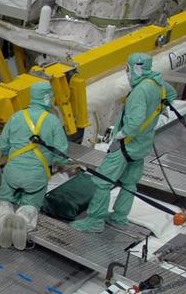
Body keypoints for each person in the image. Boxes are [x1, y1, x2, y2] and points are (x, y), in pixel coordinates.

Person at [73, 53, 176, 233]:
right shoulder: (157, 83)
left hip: (125, 145)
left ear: (134, 68)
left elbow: (134, 121)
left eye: (127, 68)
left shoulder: (139, 91)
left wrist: (121, 135)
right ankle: (119, 217)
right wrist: (155, 116)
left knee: (102, 181)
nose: (126, 72)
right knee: (129, 183)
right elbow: (171, 94)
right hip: (142, 144)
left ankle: (95, 221)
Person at [0, 81, 70, 250]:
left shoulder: (16, 117)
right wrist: (59, 163)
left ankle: (3, 217)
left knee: (5, 198)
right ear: (47, 98)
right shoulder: (52, 121)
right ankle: (23, 218)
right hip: (36, 176)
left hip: (12, 172)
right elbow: (62, 152)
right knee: (30, 202)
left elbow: (3, 146)